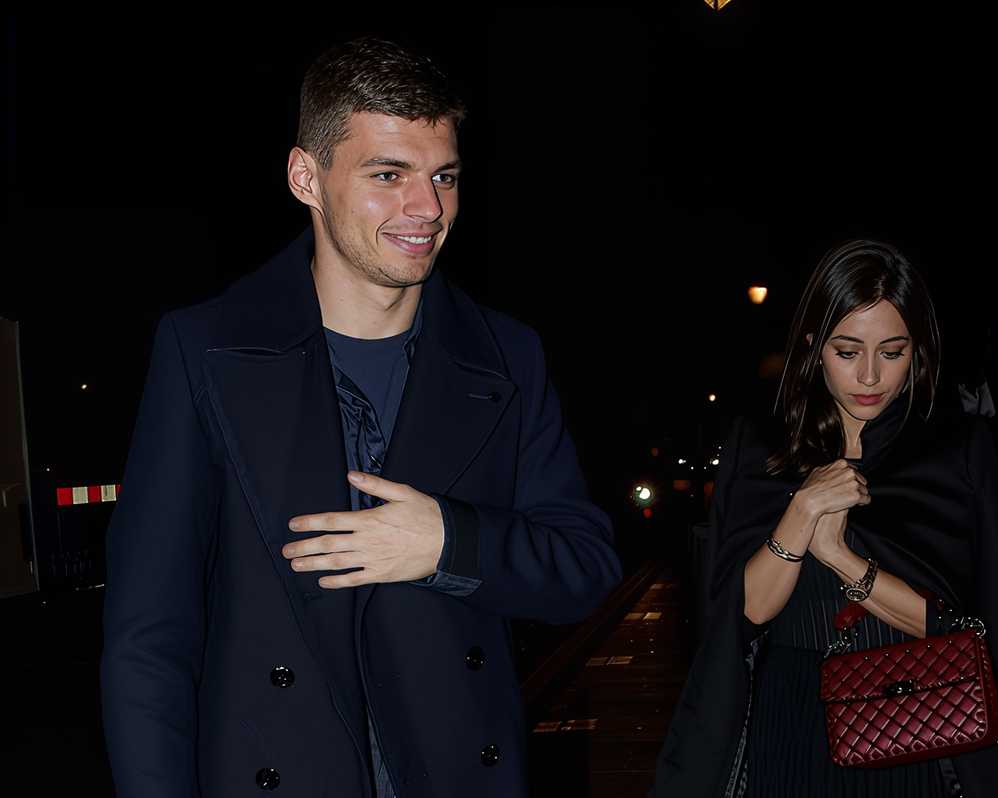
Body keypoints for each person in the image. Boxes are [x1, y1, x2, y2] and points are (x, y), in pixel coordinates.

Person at [100, 36, 621, 798]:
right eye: (389, 175)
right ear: (306, 177)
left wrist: (450, 541)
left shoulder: (507, 357)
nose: (428, 208)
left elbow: (584, 570)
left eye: (443, 176)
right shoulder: (205, 349)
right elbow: (149, 637)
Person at [653, 240, 998, 796]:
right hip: (790, 717)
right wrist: (801, 513)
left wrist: (843, 559)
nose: (869, 376)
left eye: (892, 352)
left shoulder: (954, 448)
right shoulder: (760, 444)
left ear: (918, 352)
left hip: (918, 717)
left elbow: (968, 629)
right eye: (847, 351)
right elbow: (744, 615)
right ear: (814, 346)